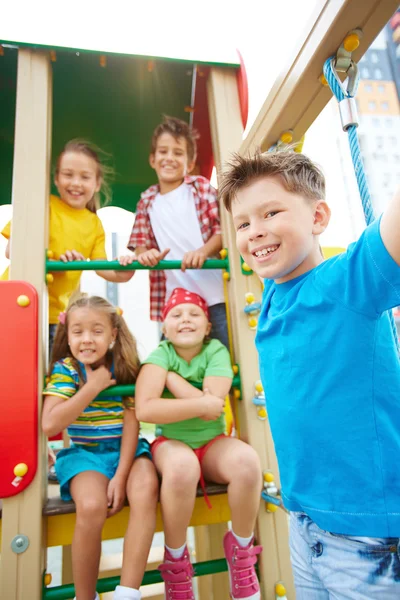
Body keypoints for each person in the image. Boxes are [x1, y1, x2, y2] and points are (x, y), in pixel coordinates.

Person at [220, 150, 400, 599]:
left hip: (367, 534)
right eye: (242, 223)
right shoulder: (273, 295)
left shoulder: (347, 281)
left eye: (271, 212)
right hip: (302, 520)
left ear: (318, 216)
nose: (254, 231)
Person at [135, 287, 263, 600]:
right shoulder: (160, 354)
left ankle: (242, 550)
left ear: (207, 327)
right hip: (172, 443)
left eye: (194, 314)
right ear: (164, 328)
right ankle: (176, 558)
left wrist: (174, 382)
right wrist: (201, 403)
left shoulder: (215, 350)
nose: (185, 319)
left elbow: (214, 407)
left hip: (212, 442)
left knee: (247, 462)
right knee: (181, 467)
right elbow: (146, 409)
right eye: (176, 315)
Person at [42, 294, 159, 600]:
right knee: (92, 506)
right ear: (67, 336)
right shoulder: (66, 370)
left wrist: (120, 476)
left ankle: (128, 591)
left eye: (97, 331)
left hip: (127, 452)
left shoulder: (124, 367)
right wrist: (91, 388)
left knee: (146, 488)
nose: (87, 340)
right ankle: (85, 596)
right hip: (85, 456)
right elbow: (50, 424)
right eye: (78, 332)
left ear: (113, 334)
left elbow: (132, 423)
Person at [1, 139, 130, 351]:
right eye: (68, 175)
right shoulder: (43, 205)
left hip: (55, 314)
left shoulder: (94, 224)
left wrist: (126, 271)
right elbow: (12, 251)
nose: (76, 183)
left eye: (85, 177)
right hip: (16, 301)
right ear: (56, 179)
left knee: (53, 371)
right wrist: (53, 261)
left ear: (97, 183)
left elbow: (103, 268)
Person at [119, 116, 229, 348]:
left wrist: (203, 251)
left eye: (178, 153)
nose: (169, 158)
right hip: (174, 301)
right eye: (163, 151)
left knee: (225, 352)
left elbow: (222, 232)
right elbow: (141, 243)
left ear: (189, 163)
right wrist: (144, 254)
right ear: (152, 159)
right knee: (169, 361)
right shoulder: (147, 200)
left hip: (214, 295)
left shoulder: (199, 188)